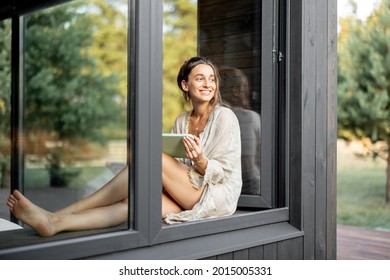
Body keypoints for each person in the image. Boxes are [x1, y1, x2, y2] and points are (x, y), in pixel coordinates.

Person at [7, 56, 242, 236]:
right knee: (131, 205)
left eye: (211, 79)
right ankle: (54, 223)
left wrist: (200, 160)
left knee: (152, 157)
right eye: (200, 78)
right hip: (189, 189)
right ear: (184, 84)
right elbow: (179, 167)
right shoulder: (181, 119)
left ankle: (62, 211)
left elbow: (224, 173)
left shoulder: (225, 117)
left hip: (216, 195)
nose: (208, 84)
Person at [219, 66, 261, 195]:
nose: (249, 93)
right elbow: (252, 163)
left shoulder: (207, 117)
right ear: (236, 91)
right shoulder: (249, 118)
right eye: (246, 88)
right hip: (250, 191)